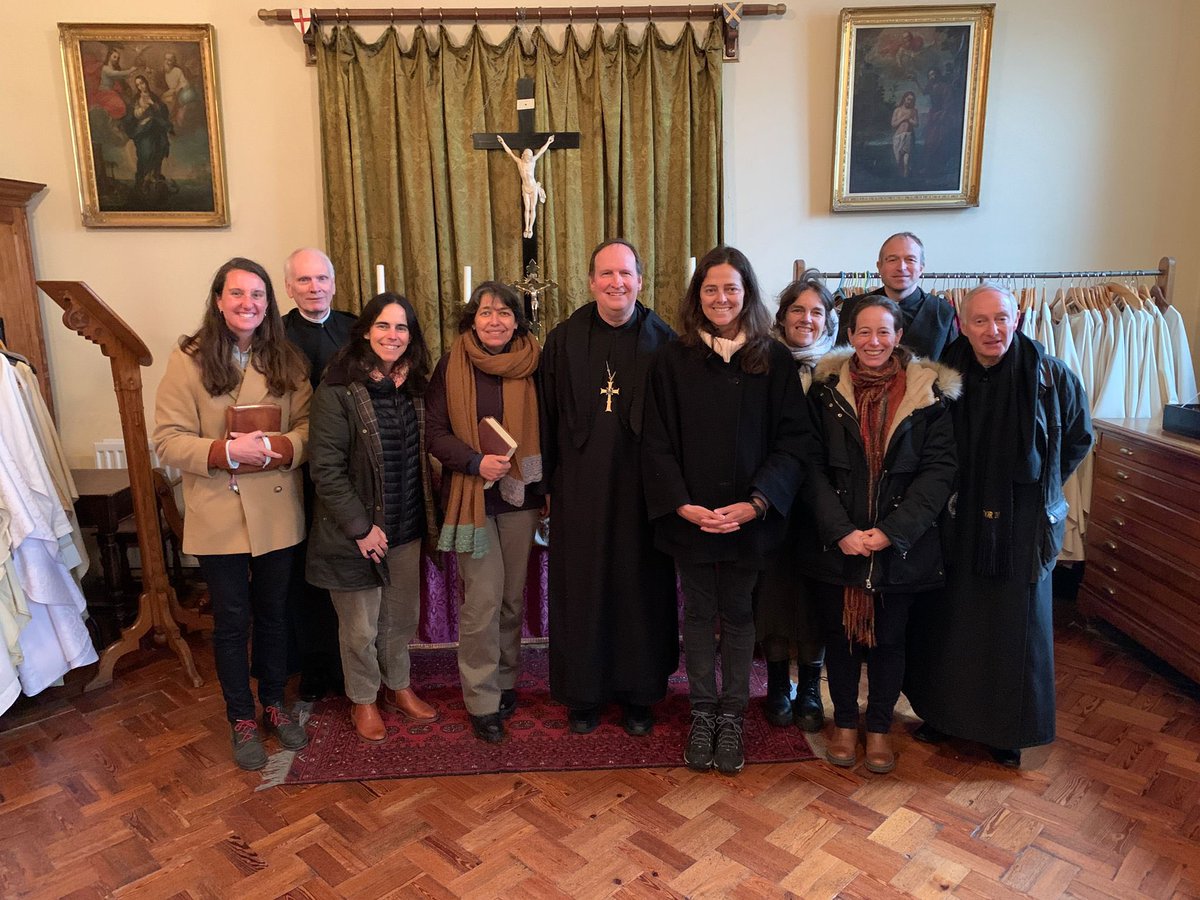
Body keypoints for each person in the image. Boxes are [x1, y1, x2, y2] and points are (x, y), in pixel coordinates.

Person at [905, 284, 1092, 768]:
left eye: (1002, 319)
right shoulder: (941, 378)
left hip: (1023, 523)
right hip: (956, 516)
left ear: (1017, 320)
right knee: (948, 619)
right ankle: (942, 715)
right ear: (963, 326)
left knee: (1016, 628)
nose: (994, 330)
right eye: (981, 321)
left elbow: (1078, 437)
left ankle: (1007, 730)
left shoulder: (1050, 376)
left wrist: (1041, 488)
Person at [643, 246, 814, 775]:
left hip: (749, 515)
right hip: (690, 515)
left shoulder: (774, 359)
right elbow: (654, 440)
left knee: (739, 613)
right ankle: (703, 712)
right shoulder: (671, 359)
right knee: (698, 613)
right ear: (697, 295)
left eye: (731, 289)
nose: (721, 298)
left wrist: (756, 502)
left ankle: (732, 714)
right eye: (711, 288)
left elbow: (794, 441)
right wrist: (682, 504)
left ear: (747, 294)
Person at [153, 257, 311, 770]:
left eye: (258, 295)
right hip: (219, 508)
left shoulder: (286, 359)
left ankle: (274, 703)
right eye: (238, 294)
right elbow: (167, 441)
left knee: (274, 615)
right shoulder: (189, 360)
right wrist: (225, 452)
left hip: (276, 506)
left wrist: (278, 447)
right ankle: (240, 717)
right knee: (231, 621)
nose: (248, 303)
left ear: (269, 303)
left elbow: (309, 427)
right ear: (219, 301)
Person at [803, 296, 958, 774]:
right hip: (840, 544)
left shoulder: (928, 395)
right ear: (849, 336)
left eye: (884, 332)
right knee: (842, 640)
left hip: (900, 548)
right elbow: (809, 466)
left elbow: (939, 471)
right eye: (864, 332)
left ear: (898, 336)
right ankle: (845, 724)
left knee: (890, 641)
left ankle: (879, 727)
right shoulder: (824, 392)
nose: (874, 342)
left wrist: (892, 532)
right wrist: (840, 530)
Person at [539, 239, 678, 736]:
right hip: (580, 489)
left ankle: (640, 694)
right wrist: (546, 485)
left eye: (625, 273)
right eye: (606, 273)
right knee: (583, 587)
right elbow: (546, 416)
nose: (616, 282)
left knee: (640, 586)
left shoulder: (665, 341)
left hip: (644, 491)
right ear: (591, 281)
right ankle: (583, 693)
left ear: (640, 280)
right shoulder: (563, 340)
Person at [305, 293, 440, 742]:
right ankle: (363, 699)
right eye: (383, 325)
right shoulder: (337, 389)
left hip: (406, 525)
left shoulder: (415, 388)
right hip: (355, 533)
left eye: (402, 328)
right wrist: (360, 529)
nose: (392, 335)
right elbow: (326, 469)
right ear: (365, 330)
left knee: (399, 620)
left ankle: (398, 687)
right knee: (359, 628)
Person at [427, 281, 543, 743]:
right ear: (472, 320)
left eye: (504, 312)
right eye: (485, 312)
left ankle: (506, 679)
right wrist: (476, 462)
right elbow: (434, 432)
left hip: (521, 499)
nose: (495, 320)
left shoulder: (535, 363)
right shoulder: (451, 364)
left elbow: (552, 425)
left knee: (512, 598)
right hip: (469, 498)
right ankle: (481, 698)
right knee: (482, 600)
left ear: (517, 320)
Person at [754, 270, 839, 733]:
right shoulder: (763, 364)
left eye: (816, 312)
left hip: (823, 504)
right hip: (775, 498)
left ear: (828, 321)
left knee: (814, 597)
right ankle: (776, 685)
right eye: (798, 310)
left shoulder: (841, 371)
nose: (807, 319)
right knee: (773, 593)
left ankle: (809, 686)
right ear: (783, 317)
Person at [282, 248, 356, 702]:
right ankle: (313, 665)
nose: (315, 288)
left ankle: (351, 665)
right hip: (296, 473)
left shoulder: (354, 330)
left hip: (348, 469)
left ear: (333, 283)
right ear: (289, 288)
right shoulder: (275, 336)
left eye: (322, 279)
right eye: (305, 280)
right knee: (303, 570)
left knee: (345, 566)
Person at [837, 233, 958, 361]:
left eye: (910, 259)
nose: (901, 267)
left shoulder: (942, 312)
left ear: (921, 268)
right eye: (892, 259)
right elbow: (841, 362)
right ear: (879, 266)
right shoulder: (853, 307)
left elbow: (950, 367)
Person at [121, 74, 172, 198]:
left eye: (142, 83)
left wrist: (153, 104)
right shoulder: (136, 100)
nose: (141, 86)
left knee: (159, 148)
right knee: (146, 152)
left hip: (155, 129)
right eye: (138, 85)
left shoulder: (154, 97)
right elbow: (133, 116)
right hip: (143, 132)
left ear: (146, 83)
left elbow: (163, 111)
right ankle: (144, 180)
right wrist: (141, 110)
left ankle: (154, 178)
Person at [497, 133, 554, 238]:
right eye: (527, 156)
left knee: (533, 207)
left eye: (530, 156)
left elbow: (541, 151)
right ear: (523, 156)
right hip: (525, 188)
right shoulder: (519, 162)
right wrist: (503, 142)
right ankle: (526, 228)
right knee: (527, 208)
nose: (528, 158)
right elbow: (510, 152)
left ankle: (530, 228)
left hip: (533, 188)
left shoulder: (533, 162)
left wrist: (548, 142)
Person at [891, 91, 919, 178]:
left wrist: (909, 120)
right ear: (904, 99)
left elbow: (916, 124)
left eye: (912, 100)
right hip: (898, 137)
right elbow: (893, 124)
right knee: (898, 159)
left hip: (908, 136)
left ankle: (906, 176)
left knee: (906, 161)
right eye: (908, 99)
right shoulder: (897, 110)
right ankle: (900, 178)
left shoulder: (913, 111)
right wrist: (903, 118)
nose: (909, 102)